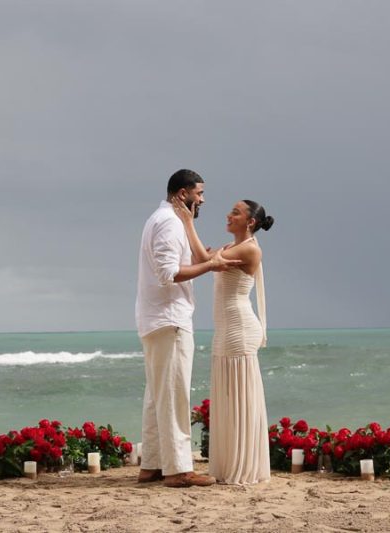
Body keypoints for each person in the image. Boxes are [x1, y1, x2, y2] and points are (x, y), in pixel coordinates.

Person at [135, 169, 240, 488]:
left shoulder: (164, 219)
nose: (203, 200)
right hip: (170, 318)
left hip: (156, 318)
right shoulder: (168, 222)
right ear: (183, 194)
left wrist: (203, 257)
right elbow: (167, 273)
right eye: (199, 193)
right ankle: (178, 470)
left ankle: (152, 465)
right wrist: (210, 265)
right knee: (174, 395)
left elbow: (182, 260)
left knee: (157, 396)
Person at [172, 196, 274, 485]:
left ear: (250, 222)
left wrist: (188, 222)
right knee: (228, 395)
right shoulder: (230, 247)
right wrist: (199, 248)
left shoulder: (250, 249)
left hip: (239, 328)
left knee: (239, 395)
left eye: (236, 212)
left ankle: (243, 466)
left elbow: (206, 261)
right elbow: (202, 259)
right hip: (226, 329)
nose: (229, 215)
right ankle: (228, 463)